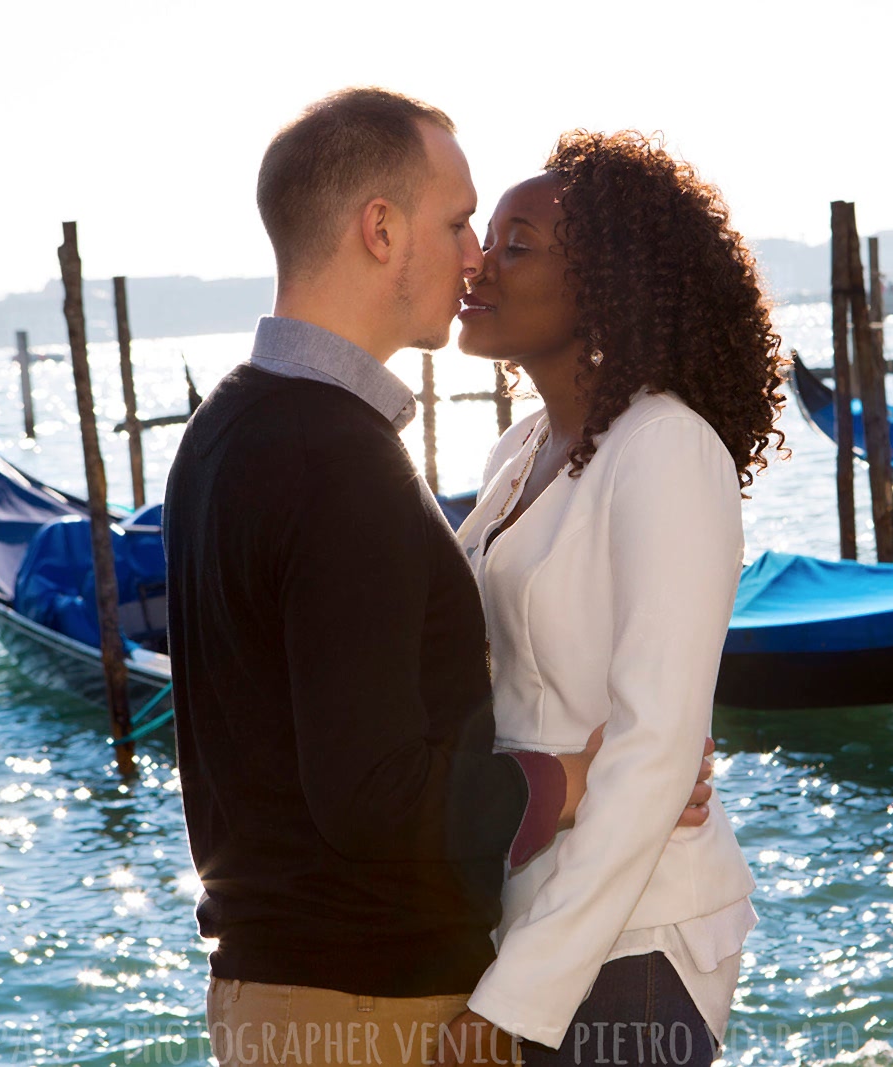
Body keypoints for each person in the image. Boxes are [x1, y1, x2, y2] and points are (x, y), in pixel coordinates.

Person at [163, 90, 715, 1067]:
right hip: (363, 992)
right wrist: (575, 778)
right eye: (463, 225)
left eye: (507, 239)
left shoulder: (223, 431)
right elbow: (378, 790)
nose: (474, 258)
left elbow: (421, 682)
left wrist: (647, 754)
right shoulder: (341, 459)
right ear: (379, 229)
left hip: (323, 978)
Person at [446, 131, 786, 1065]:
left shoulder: (666, 449)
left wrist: (515, 997)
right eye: (485, 237)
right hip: (532, 918)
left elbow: (656, 751)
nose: (478, 262)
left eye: (518, 245)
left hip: (634, 942)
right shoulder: (516, 453)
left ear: (605, 285)